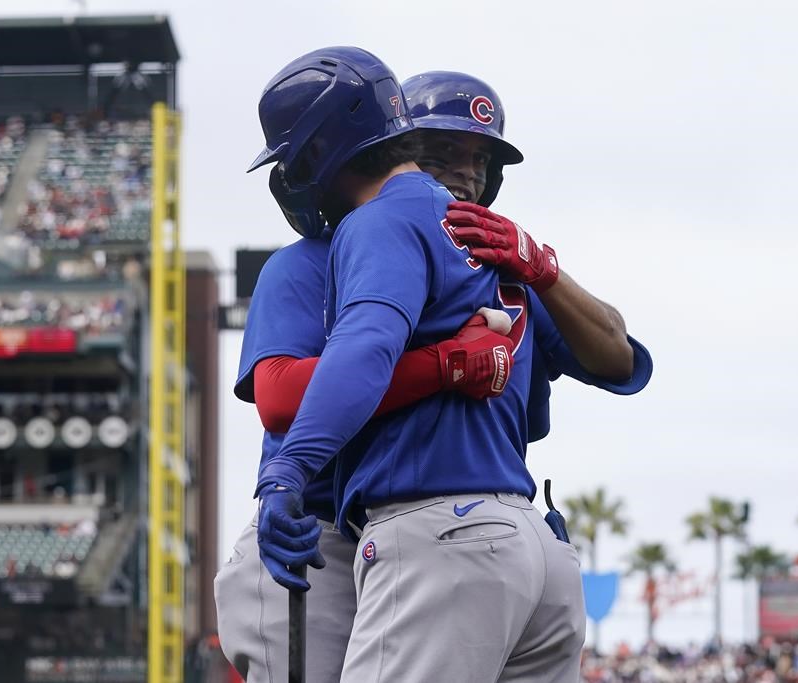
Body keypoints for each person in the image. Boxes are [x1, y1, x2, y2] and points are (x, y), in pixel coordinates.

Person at [215, 58, 651, 682]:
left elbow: (622, 359)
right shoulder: (309, 263)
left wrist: (544, 268)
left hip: (447, 530)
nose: (466, 176)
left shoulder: (498, 266)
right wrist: (443, 366)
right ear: (399, 145)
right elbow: (281, 400)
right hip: (318, 536)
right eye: (443, 153)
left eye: (480, 160)